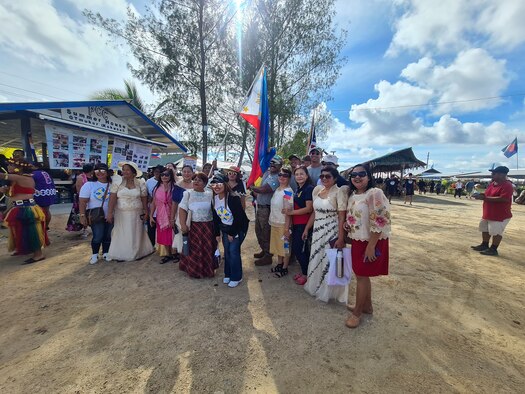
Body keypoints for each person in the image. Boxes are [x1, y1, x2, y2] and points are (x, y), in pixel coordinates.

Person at [344, 164, 391, 328]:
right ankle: (367, 306)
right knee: (361, 275)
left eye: (361, 174)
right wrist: (347, 225)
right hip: (358, 239)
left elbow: (381, 220)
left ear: (369, 177)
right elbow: (356, 217)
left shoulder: (374, 193)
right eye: (353, 174)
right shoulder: (353, 195)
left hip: (371, 240)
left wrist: (371, 246)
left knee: (362, 276)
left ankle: (357, 313)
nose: (357, 177)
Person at [303, 167, 349, 303]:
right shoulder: (317, 190)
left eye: (328, 176)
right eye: (322, 176)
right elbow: (314, 212)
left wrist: (341, 238)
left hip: (332, 230)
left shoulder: (340, 192)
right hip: (317, 231)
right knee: (317, 257)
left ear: (335, 178)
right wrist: (307, 228)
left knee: (330, 260)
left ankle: (329, 292)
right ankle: (315, 286)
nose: (324, 178)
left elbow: (342, 217)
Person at [0, 158, 49, 264]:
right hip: (19, 207)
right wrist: (6, 191)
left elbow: (2, 176)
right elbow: (15, 194)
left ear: (20, 167)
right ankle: (22, 249)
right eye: (8, 165)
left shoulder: (20, 177)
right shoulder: (18, 178)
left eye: (11, 165)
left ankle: (38, 255)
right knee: (20, 230)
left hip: (26, 208)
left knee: (31, 231)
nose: (8, 167)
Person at [106, 161, 153, 261]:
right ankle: (122, 253)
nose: (125, 172)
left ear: (133, 172)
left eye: (127, 170)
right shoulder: (117, 182)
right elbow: (112, 198)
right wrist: (110, 213)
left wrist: (146, 211)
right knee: (122, 232)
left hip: (137, 212)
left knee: (136, 232)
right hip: (121, 213)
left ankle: (137, 252)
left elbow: (144, 198)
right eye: (123, 169)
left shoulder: (140, 183)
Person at [210, 174, 249, 287]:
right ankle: (228, 274)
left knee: (233, 251)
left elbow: (239, 217)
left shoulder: (233, 198)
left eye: (219, 183)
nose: (216, 186)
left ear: (225, 184)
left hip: (238, 227)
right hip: (225, 227)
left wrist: (233, 233)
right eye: (214, 184)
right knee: (227, 251)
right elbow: (216, 217)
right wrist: (217, 233)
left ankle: (237, 276)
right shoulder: (215, 199)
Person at [178, 172, 217, 278]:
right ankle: (194, 270)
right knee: (194, 249)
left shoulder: (210, 193)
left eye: (199, 180)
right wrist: (183, 225)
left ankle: (207, 270)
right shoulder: (188, 193)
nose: (196, 181)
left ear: (205, 183)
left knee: (207, 248)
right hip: (193, 227)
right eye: (195, 179)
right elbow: (182, 209)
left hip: (208, 227)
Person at [471, 166, 513, 256]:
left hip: (499, 215)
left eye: (494, 173)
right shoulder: (492, 184)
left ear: (502, 175)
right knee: (484, 229)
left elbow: (504, 199)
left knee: (496, 232)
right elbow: (487, 194)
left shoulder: (507, 185)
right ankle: (484, 245)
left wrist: (485, 198)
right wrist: (480, 195)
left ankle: (494, 249)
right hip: (488, 213)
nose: (492, 175)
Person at [250, 155, 282, 266]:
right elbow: (259, 189)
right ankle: (264, 250)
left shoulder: (278, 177)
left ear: (280, 166)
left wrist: (252, 187)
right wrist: (254, 189)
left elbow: (265, 189)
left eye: (276, 163)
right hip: (260, 207)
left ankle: (268, 256)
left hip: (268, 209)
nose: (272, 164)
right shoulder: (267, 174)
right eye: (271, 162)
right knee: (258, 230)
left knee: (266, 232)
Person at [79, 163, 113, 264]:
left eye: (102, 171)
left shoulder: (112, 185)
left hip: (110, 214)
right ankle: (94, 254)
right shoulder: (89, 185)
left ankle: (106, 252)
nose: (99, 173)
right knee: (98, 235)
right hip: (96, 215)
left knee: (108, 235)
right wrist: (82, 216)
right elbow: (82, 201)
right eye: (97, 171)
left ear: (107, 172)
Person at [286, 166, 314, 285]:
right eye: (297, 174)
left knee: (300, 249)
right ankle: (305, 272)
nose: (299, 176)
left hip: (304, 224)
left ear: (307, 175)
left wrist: (291, 212)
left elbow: (309, 209)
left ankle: (306, 274)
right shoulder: (298, 189)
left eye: (302, 174)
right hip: (297, 223)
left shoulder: (309, 188)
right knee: (301, 250)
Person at [268, 167, 293, 277]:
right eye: (280, 175)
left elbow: (288, 211)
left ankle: (285, 267)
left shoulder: (288, 191)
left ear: (289, 178)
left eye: (285, 176)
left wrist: (287, 229)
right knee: (278, 246)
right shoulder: (277, 190)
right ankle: (279, 263)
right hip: (274, 222)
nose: (282, 177)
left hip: (283, 224)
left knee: (285, 246)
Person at [150, 168, 177, 264]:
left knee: (173, 234)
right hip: (160, 215)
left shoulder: (174, 187)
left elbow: (176, 202)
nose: (164, 176)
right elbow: (153, 202)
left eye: (167, 175)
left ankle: (175, 253)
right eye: (162, 175)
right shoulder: (157, 188)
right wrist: (150, 216)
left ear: (171, 176)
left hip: (172, 213)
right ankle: (168, 254)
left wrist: (173, 217)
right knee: (164, 234)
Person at [67, 163, 93, 235]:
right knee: (82, 213)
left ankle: (89, 227)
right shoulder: (80, 177)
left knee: (90, 214)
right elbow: (79, 189)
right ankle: (85, 229)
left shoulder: (93, 177)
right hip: (82, 199)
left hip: (91, 198)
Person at [32, 163, 57, 229]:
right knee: (46, 210)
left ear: (36, 166)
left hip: (40, 193)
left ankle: (40, 227)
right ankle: (46, 226)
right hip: (49, 192)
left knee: (37, 211)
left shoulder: (33, 174)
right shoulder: (45, 172)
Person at [146, 165, 165, 245]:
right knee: (151, 227)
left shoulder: (166, 181)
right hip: (152, 208)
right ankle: (152, 244)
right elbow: (146, 194)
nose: (157, 173)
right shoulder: (149, 181)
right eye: (156, 172)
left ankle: (162, 245)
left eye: (160, 172)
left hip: (163, 209)